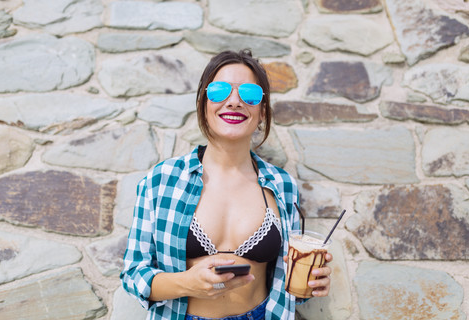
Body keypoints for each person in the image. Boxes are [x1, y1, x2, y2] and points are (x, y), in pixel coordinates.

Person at [120, 49, 333, 320]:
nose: (234, 101)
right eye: (219, 91)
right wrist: (188, 283)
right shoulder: (161, 180)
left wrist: (311, 283)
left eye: (250, 94)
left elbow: (286, 281)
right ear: (204, 102)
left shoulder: (281, 184)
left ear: (263, 111)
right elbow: (133, 273)